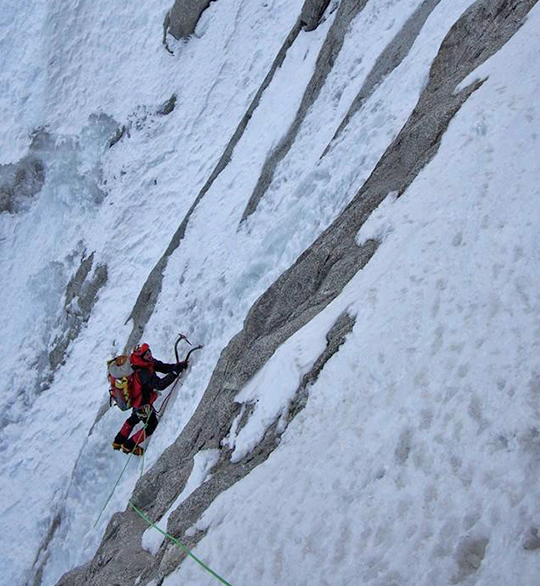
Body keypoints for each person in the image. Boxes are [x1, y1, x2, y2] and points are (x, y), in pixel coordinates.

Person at [112, 343, 186, 455]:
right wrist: (175, 372)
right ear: (140, 357)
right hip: (143, 403)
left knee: (134, 418)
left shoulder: (143, 362)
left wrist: (176, 367)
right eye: (146, 354)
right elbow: (160, 385)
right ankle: (129, 445)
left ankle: (118, 441)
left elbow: (162, 367)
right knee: (151, 426)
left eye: (149, 352)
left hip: (138, 401)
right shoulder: (143, 373)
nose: (149, 355)